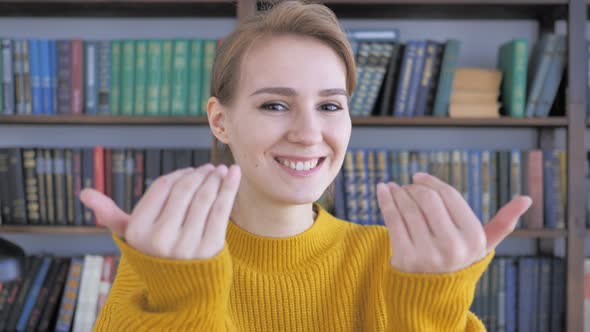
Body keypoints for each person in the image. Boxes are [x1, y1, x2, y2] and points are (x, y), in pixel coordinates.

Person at [80, 1, 532, 330]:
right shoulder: (164, 261)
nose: (309, 133)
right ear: (220, 120)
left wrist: (428, 309)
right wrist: (183, 300)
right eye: (276, 105)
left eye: (330, 106)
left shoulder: (400, 261)